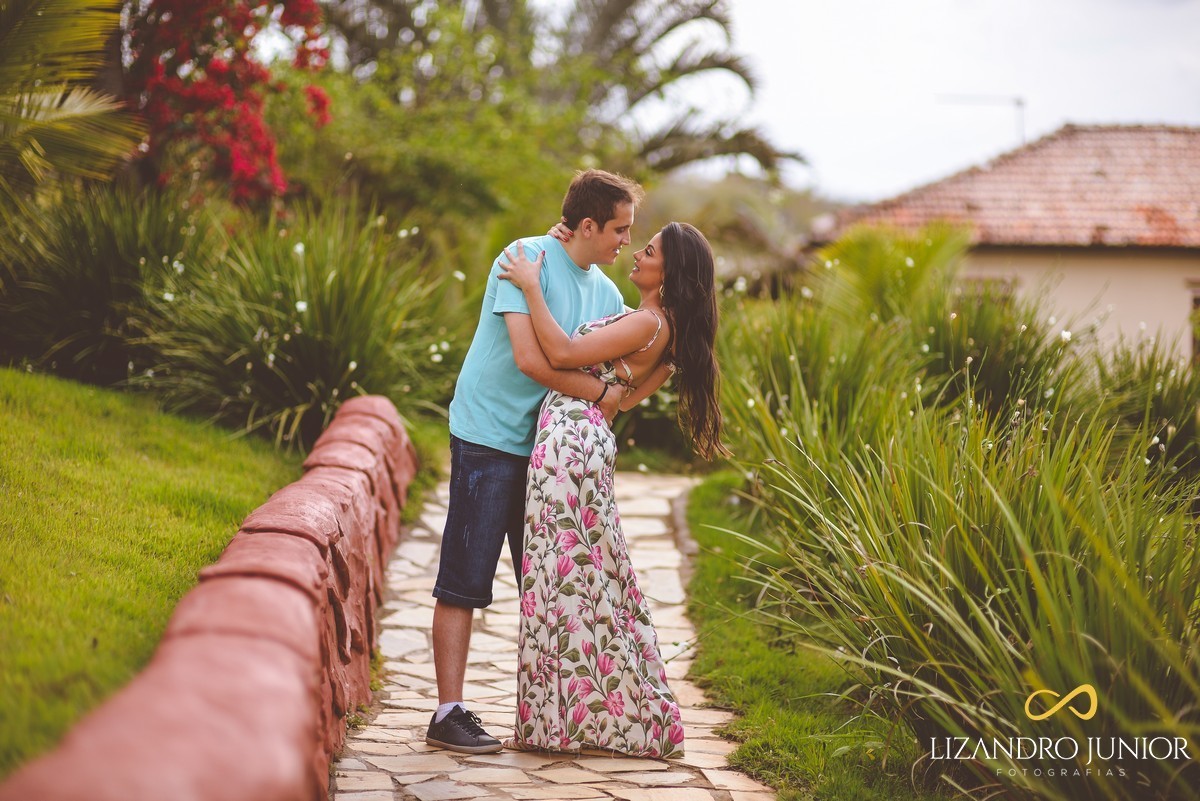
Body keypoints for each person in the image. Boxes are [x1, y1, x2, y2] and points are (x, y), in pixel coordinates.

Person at [425, 170, 645, 754]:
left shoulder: (605, 293)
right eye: (620, 229)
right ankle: (448, 712)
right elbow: (529, 358)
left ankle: (557, 711)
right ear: (589, 225)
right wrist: (602, 396)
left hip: (549, 453)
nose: (626, 240)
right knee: (465, 576)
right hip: (488, 436)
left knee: (546, 582)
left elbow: (634, 354)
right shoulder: (524, 258)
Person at [496, 220, 727, 757]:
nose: (637, 254)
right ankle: (586, 716)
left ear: (669, 274)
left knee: (565, 579)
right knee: (583, 576)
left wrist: (531, 283)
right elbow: (620, 400)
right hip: (587, 438)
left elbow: (556, 352)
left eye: (649, 252)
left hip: (570, 443)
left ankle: (572, 720)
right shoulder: (660, 327)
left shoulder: (647, 322)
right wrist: (568, 241)